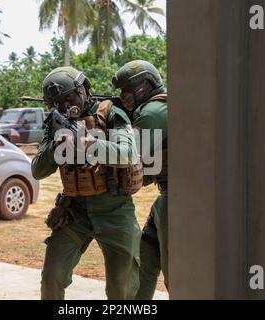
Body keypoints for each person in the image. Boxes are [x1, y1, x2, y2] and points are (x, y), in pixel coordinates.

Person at [31, 66, 143, 300]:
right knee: (52, 277)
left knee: (121, 288)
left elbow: (129, 154)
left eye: (68, 98)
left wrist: (89, 144)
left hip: (115, 210)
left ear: (83, 90)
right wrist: (55, 146)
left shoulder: (111, 113)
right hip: (74, 211)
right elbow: (37, 170)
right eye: (56, 103)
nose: (63, 106)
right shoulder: (55, 123)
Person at [112, 60, 168, 300]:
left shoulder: (149, 114)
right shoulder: (160, 107)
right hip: (167, 197)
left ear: (143, 86)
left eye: (126, 89)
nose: (123, 96)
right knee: (145, 261)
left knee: (178, 274)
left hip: (176, 201)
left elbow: (131, 163)